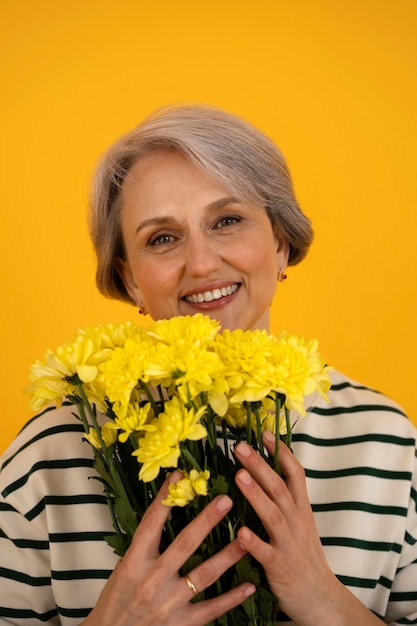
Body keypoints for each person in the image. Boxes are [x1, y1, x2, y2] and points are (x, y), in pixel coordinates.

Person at [0, 104, 416, 626]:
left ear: (281, 244)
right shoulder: (46, 460)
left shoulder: (388, 444)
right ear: (131, 281)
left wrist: (322, 600)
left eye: (227, 221)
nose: (201, 263)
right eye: (163, 238)